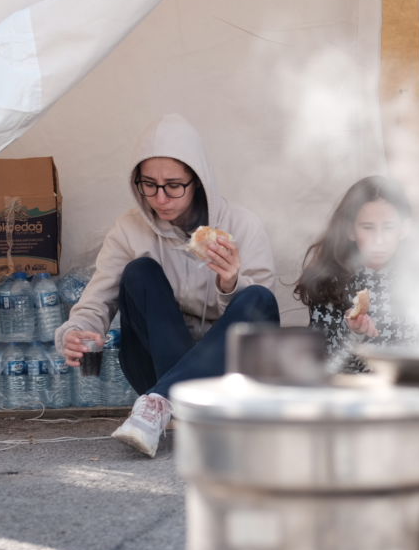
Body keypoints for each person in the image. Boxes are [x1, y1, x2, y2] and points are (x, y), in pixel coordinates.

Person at [55, 114, 279, 457]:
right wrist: (76, 331)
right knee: (139, 271)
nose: (160, 198)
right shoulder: (129, 229)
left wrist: (230, 282)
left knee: (258, 296)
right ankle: (169, 401)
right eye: (149, 184)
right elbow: (97, 300)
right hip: (159, 362)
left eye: (174, 185)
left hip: (229, 374)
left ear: (198, 181)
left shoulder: (241, 225)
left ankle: (161, 402)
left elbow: (262, 316)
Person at [294, 176, 419, 374]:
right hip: (352, 396)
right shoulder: (329, 282)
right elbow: (325, 367)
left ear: (404, 229)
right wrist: (353, 333)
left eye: (388, 228)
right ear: (350, 230)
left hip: (412, 389)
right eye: (368, 228)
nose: (378, 240)